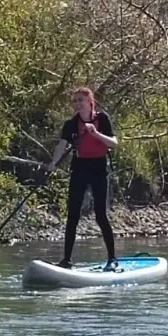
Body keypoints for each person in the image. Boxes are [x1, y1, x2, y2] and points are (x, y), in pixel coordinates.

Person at [44, 87, 119, 269]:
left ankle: (112, 258)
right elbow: (62, 145)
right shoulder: (71, 124)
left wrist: (95, 133)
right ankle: (67, 260)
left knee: (100, 215)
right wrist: (54, 162)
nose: (78, 104)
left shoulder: (102, 119)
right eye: (75, 101)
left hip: (99, 168)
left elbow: (114, 143)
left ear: (90, 102)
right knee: (73, 215)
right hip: (79, 168)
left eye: (81, 100)